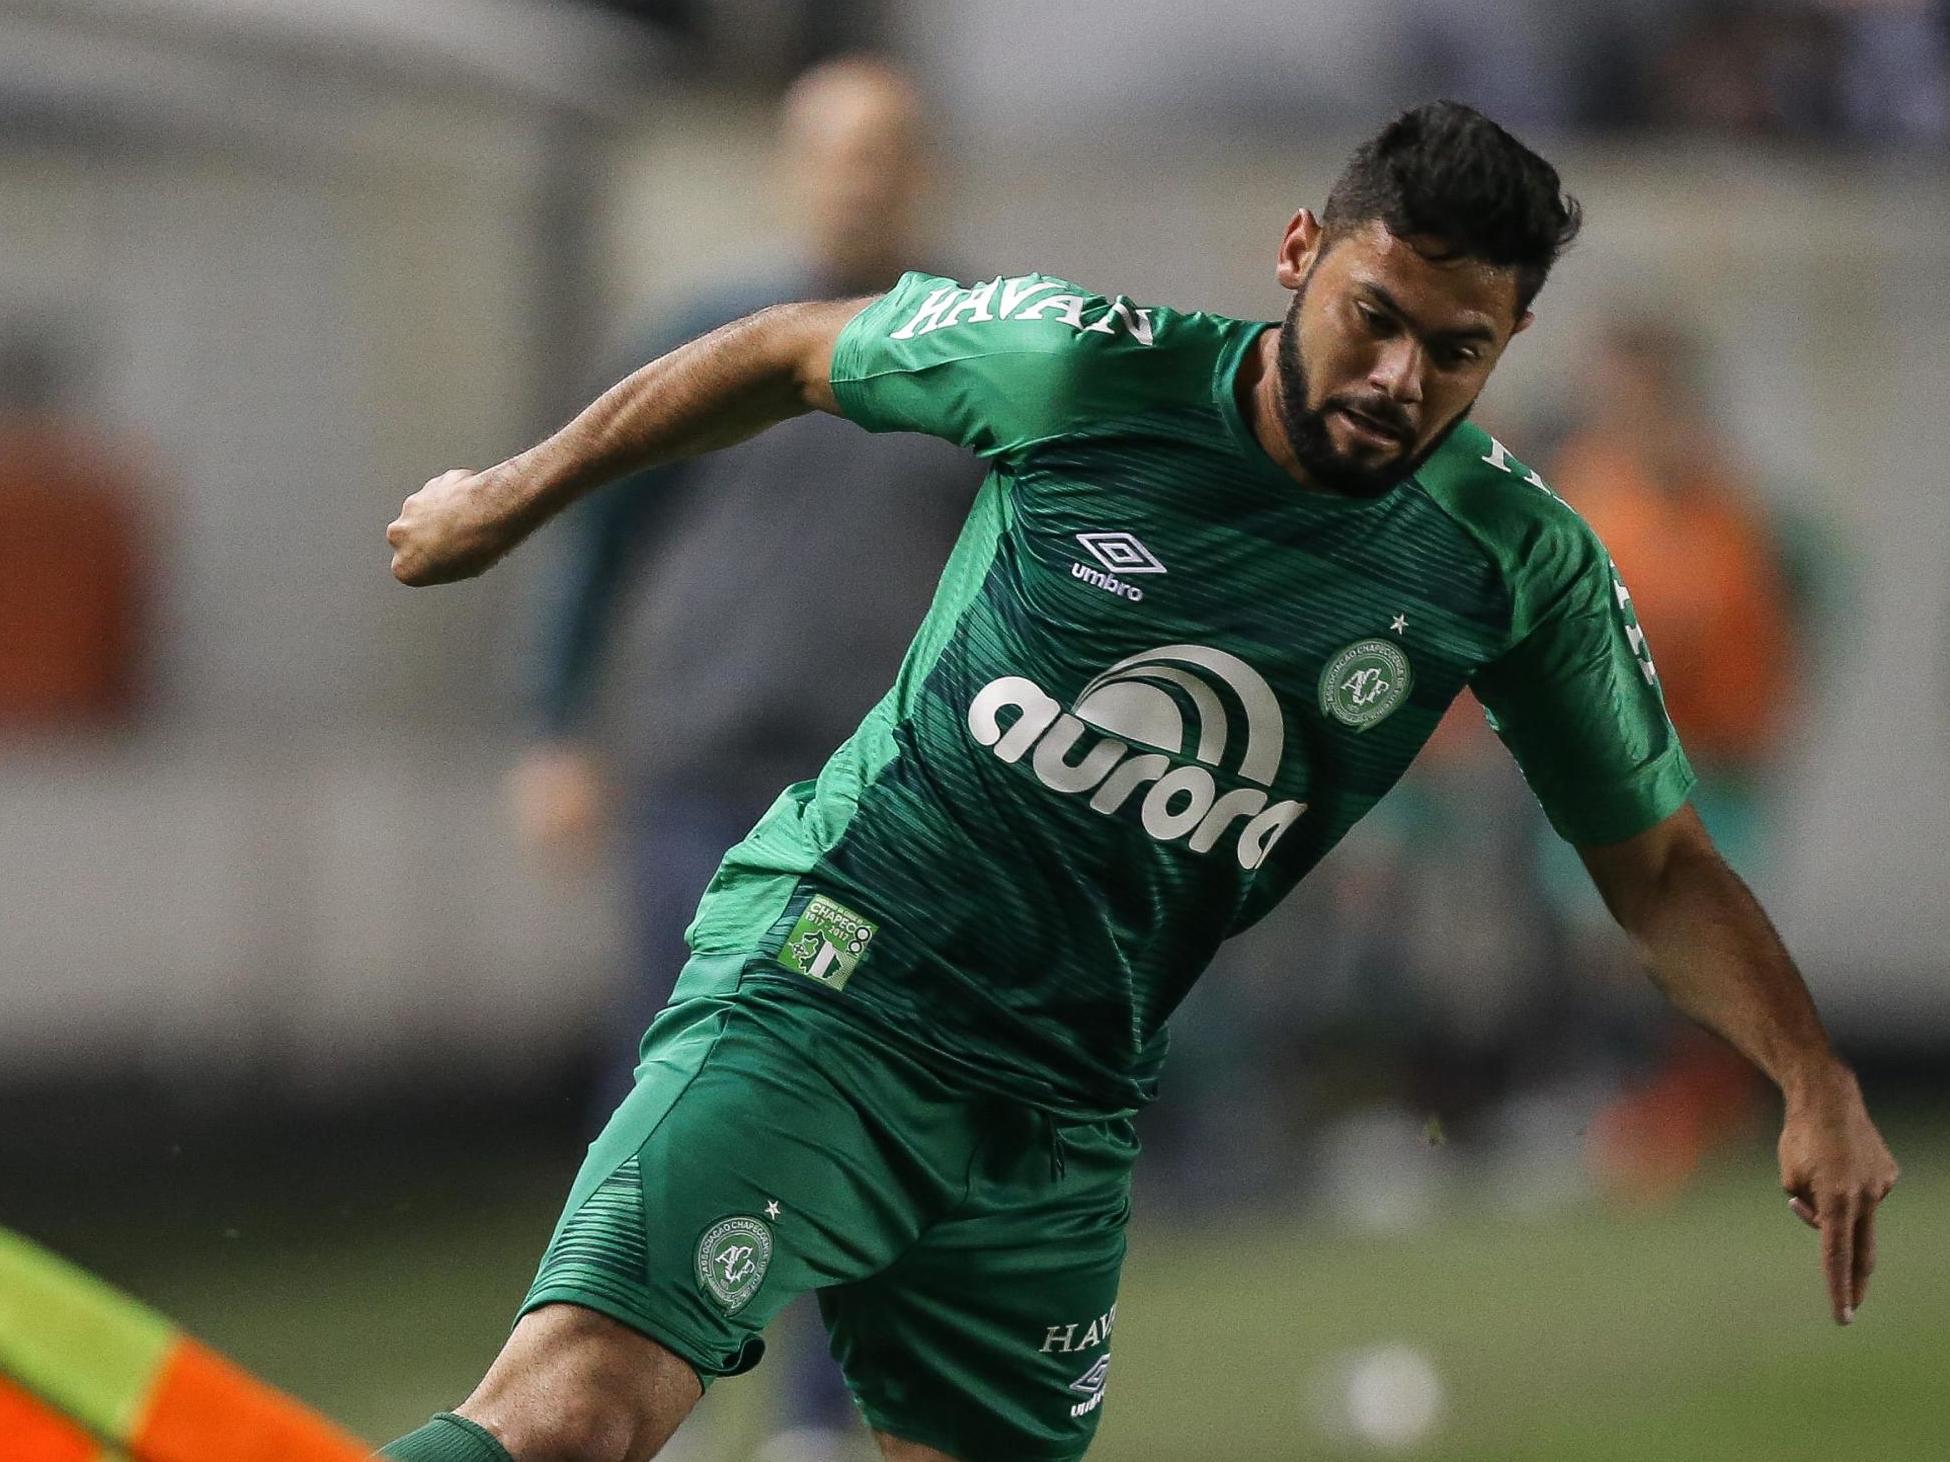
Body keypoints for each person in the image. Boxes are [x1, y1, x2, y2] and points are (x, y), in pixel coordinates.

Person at [379, 102, 1898, 1462]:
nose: (1394, 378)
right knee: (573, 1414)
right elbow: (785, 349)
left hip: (1062, 1108)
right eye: (1373, 316)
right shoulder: (1078, 365)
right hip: (833, 984)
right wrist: (504, 498)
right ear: (1298, 251)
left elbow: (1657, 868)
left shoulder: (1511, 560)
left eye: (1455, 351)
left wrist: (1811, 1077)